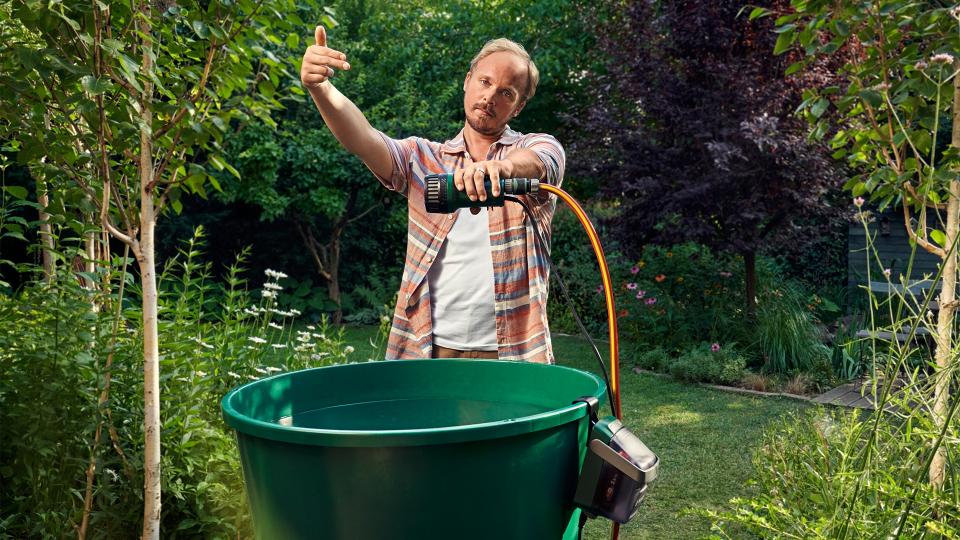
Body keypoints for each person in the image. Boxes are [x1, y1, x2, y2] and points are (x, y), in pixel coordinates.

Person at [301, 26, 565, 363]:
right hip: (427, 347)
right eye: (485, 82)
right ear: (467, 80)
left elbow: (543, 160)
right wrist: (321, 88)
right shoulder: (423, 159)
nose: (490, 97)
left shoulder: (535, 147)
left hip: (512, 352)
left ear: (518, 107)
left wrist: (502, 170)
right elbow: (364, 139)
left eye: (506, 92)